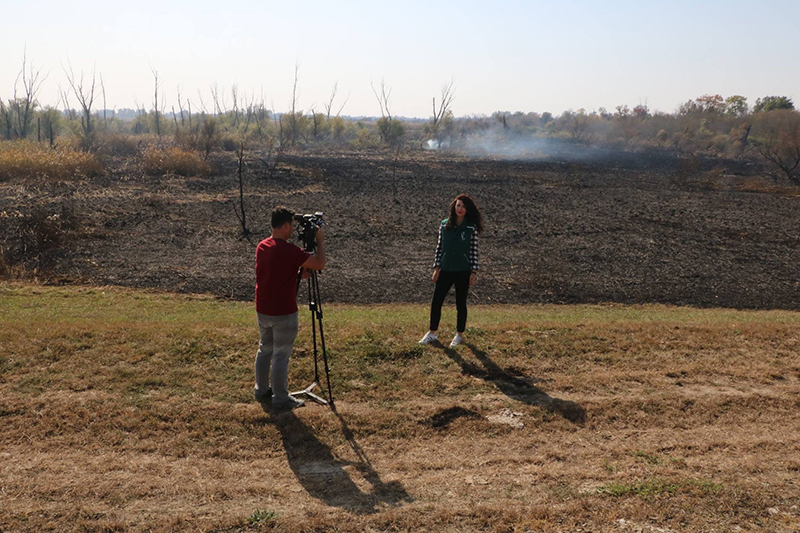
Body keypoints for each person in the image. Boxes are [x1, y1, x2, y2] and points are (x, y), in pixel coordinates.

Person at [254, 206, 326, 409]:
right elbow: (319, 263)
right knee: (281, 355)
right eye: (292, 226)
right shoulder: (288, 250)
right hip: (283, 311)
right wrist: (320, 240)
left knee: (265, 349)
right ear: (285, 225)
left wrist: (295, 272)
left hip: (263, 308)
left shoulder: (262, 246)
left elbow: (276, 269)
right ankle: (281, 398)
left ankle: (260, 390)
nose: (293, 230)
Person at [419, 194, 483, 348]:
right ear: (454, 206)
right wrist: (436, 268)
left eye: (463, 206)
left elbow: (474, 251)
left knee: (460, 303)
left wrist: (474, 272)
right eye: (458, 205)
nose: (460, 209)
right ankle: (432, 333)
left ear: (467, 210)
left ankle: (459, 334)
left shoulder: (470, 228)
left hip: (463, 270)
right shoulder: (444, 225)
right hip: (446, 269)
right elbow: (439, 248)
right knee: (436, 301)